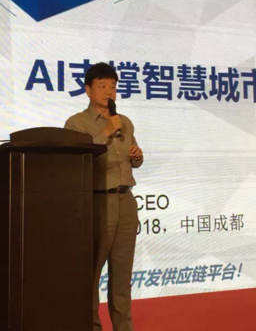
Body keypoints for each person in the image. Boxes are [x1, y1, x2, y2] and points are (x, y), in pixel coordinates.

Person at [64, 62, 143, 331]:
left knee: (122, 276)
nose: (109, 91)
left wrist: (137, 156)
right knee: (91, 274)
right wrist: (106, 131)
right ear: (88, 90)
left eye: (113, 86)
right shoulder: (76, 123)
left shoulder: (125, 122)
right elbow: (80, 158)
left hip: (126, 201)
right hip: (98, 202)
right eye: (102, 86)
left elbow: (133, 160)